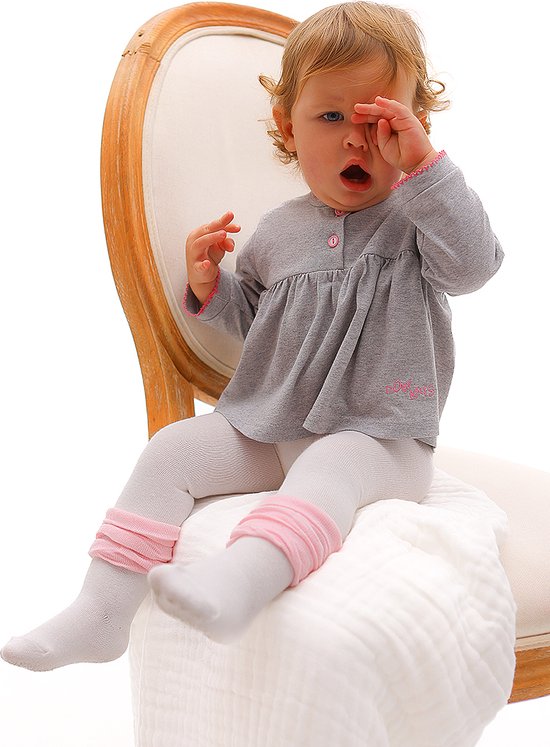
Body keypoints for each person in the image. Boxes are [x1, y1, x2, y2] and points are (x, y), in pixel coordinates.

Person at [1, 1, 503, 671]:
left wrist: (426, 169)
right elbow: (260, 323)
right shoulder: (277, 232)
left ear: (414, 127)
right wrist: (213, 289)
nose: (356, 141)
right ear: (287, 127)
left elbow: (474, 266)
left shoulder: (418, 220)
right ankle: (101, 614)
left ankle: (242, 579)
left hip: (382, 438)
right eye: (331, 118)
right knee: (172, 451)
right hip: (275, 425)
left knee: (329, 465)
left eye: (379, 122)